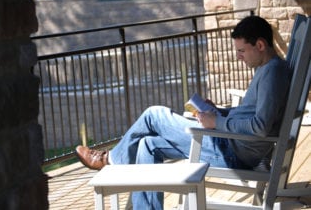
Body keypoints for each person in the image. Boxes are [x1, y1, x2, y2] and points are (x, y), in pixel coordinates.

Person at [75, 15, 292, 209]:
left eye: (242, 50)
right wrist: (220, 111)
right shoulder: (267, 69)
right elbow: (250, 114)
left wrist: (216, 122)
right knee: (147, 145)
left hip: (231, 150)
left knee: (154, 114)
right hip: (228, 142)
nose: (238, 57)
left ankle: (111, 158)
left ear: (260, 45)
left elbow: (260, 127)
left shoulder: (273, 73)